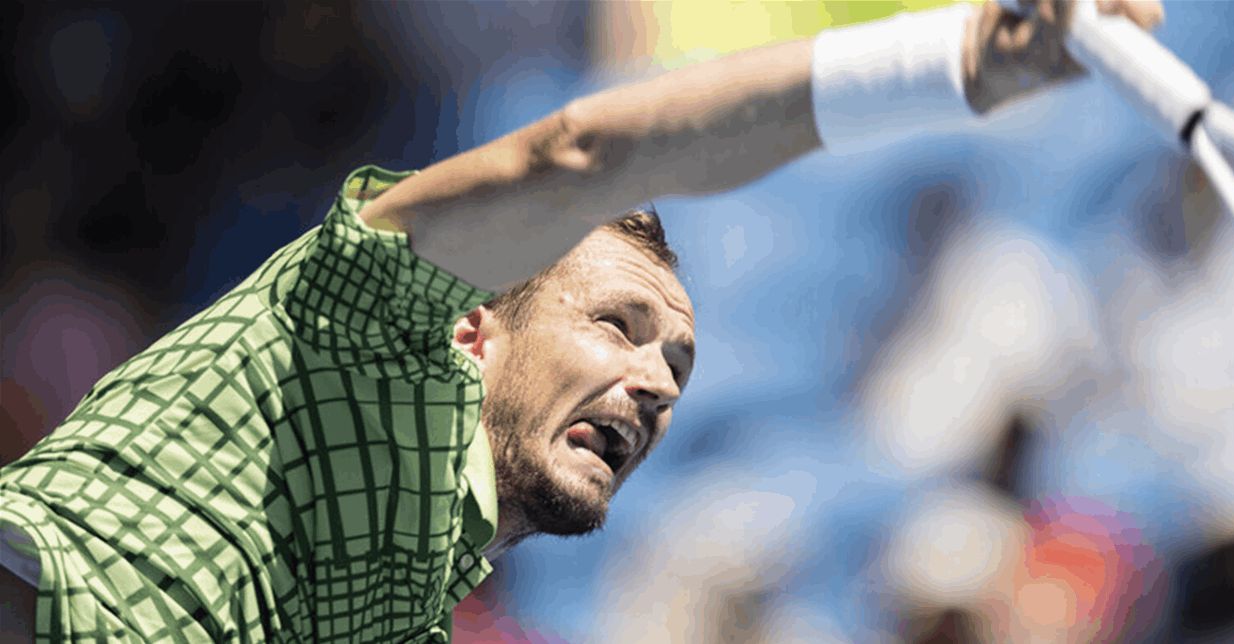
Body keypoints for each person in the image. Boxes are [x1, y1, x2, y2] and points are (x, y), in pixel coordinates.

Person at [0, 1, 1161, 641]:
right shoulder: (328, 343)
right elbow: (579, 150)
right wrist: (941, 60)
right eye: (615, 323)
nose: (652, 384)